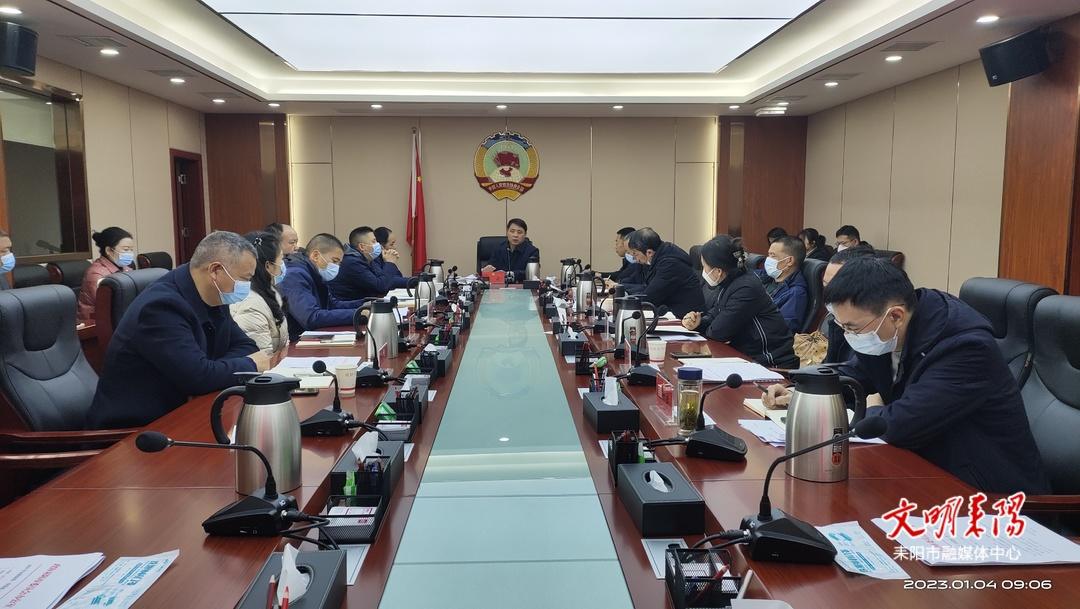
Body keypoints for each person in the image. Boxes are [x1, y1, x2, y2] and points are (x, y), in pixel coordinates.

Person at [765, 257, 1050, 494]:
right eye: (842, 327)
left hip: (988, 497)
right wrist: (803, 391)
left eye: (852, 328)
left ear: (896, 316)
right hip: (923, 471)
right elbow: (857, 373)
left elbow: (899, 426)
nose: (849, 336)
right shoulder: (886, 328)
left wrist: (873, 410)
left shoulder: (966, 348)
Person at [88, 231, 268, 429]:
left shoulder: (215, 294)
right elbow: (198, 378)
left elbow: (246, 346)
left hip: (184, 412)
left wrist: (213, 370)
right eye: (244, 279)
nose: (247, 286)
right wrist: (250, 364)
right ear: (216, 271)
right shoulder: (161, 307)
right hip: (136, 430)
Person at [682, 235, 796, 368]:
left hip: (771, 363)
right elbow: (716, 314)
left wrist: (707, 326)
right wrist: (698, 323)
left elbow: (718, 332)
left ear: (718, 271)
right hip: (747, 357)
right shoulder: (730, 282)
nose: (703, 272)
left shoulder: (746, 287)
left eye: (704, 267)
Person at [280, 233, 370, 342]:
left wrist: (365, 304)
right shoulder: (294, 275)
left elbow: (331, 305)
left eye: (339, 263)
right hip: (295, 343)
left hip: (312, 338)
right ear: (315, 256)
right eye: (334, 261)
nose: (337, 267)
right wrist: (358, 314)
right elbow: (311, 317)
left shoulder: (314, 273)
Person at [230, 232, 289, 355]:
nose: (283, 265)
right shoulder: (250, 305)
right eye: (281, 259)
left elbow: (284, 344)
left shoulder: (270, 291)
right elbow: (261, 358)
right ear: (268, 266)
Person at [623, 228, 703, 318]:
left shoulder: (670, 265)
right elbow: (647, 288)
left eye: (635, 254)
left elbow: (650, 298)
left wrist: (623, 301)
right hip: (672, 312)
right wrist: (623, 290)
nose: (635, 259)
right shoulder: (661, 256)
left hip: (687, 319)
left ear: (649, 252)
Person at [820, 247, 874, 364]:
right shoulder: (836, 322)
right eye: (825, 285)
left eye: (836, 288)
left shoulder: (874, 333)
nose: (829, 294)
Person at [330, 226, 411, 301]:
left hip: (365, 305)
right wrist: (389, 263)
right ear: (362, 247)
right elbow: (381, 287)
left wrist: (414, 281)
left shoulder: (368, 258)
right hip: (350, 307)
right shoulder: (352, 263)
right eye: (374, 241)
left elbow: (384, 279)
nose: (378, 245)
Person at [78, 227, 136, 322]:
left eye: (131, 250)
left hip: (118, 317)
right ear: (109, 250)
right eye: (126, 249)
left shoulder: (125, 268)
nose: (130, 253)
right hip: (95, 324)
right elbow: (111, 304)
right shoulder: (96, 274)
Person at [762, 235, 808, 333]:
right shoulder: (767, 279)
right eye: (768, 255)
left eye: (773, 255)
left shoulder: (796, 293)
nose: (768, 259)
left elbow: (780, 330)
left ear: (789, 261)